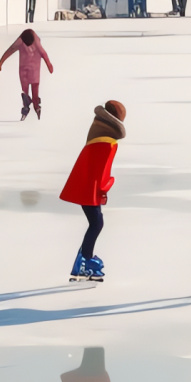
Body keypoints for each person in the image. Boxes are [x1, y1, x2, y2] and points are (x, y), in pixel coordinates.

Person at [59, 100, 126, 282]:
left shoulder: (97, 139)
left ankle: (84, 259)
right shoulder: (108, 143)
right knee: (96, 223)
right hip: (90, 188)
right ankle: (85, 261)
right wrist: (105, 187)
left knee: (96, 222)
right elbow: (102, 171)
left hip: (86, 186)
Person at [0, 28, 54, 120]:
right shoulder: (22, 41)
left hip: (29, 70)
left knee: (31, 88)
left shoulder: (31, 42)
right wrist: (0, 63)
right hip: (28, 70)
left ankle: (33, 105)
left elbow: (43, 54)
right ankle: (30, 105)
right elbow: (11, 50)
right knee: (28, 89)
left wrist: (49, 65)